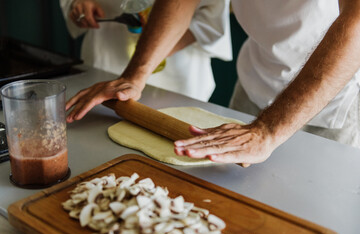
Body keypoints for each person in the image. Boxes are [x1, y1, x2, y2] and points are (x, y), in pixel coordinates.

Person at [66, 0, 360, 165]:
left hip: (334, 97)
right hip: (255, 80)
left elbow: (356, 22)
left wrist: (268, 130)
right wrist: (134, 75)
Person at [60, 0, 232, 102]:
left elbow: (211, 16)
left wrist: (155, 47)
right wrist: (77, 3)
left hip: (176, 75)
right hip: (104, 57)